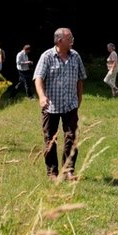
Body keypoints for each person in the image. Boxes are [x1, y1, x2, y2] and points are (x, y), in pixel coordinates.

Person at [34, 27, 86, 180]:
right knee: (50, 139)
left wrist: (79, 98)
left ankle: (68, 170)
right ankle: (52, 172)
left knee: (71, 137)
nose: (72, 40)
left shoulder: (75, 56)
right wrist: (42, 97)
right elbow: (38, 78)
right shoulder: (47, 56)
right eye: (70, 38)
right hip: (51, 106)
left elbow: (80, 79)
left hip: (70, 105)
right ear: (60, 40)